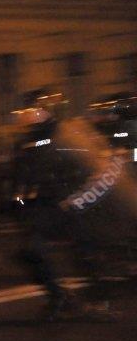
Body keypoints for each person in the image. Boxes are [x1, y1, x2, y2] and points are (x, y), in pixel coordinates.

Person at [11, 89, 117, 320]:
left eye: (31, 110)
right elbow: (21, 172)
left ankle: (100, 301)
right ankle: (58, 297)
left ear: (43, 110)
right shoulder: (26, 139)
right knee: (30, 251)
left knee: (85, 254)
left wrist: (77, 195)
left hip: (71, 201)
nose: (26, 115)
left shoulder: (64, 134)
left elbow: (84, 165)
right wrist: (18, 197)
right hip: (44, 205)